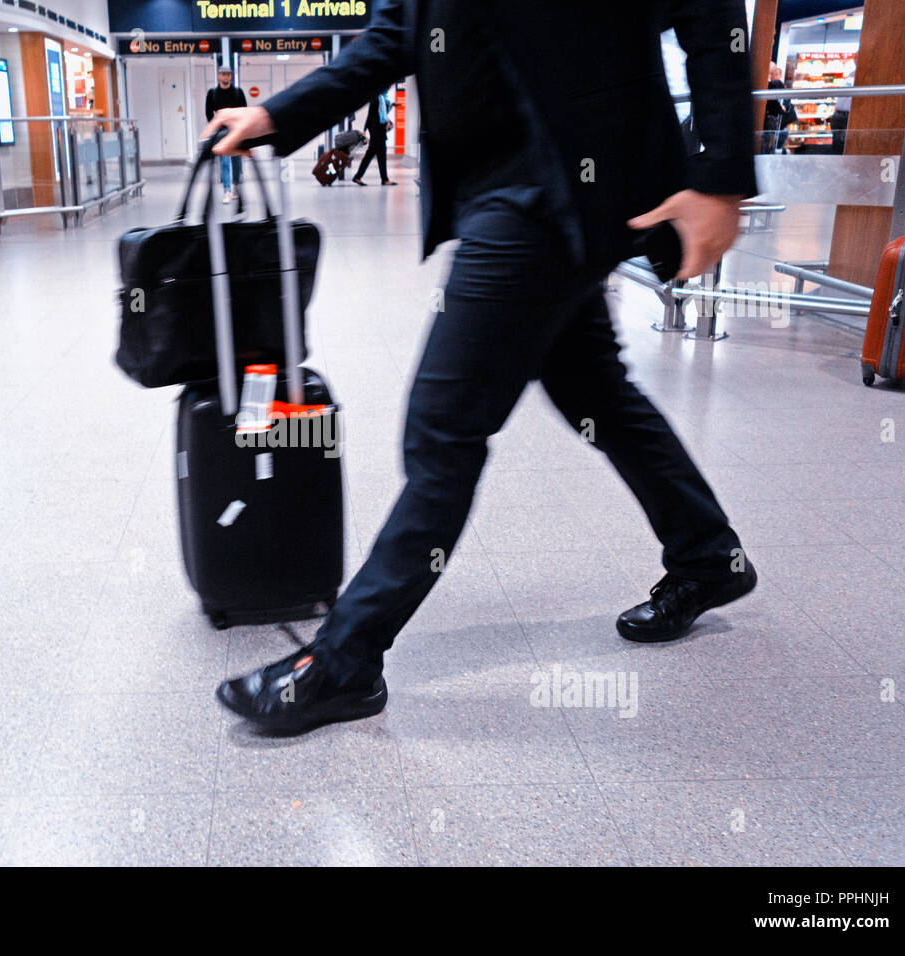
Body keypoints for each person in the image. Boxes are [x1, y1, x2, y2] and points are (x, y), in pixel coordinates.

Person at [206, 0, 759, 734]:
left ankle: (346, 660)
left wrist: (722, 176)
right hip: (501, 192)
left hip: (550, 189)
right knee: (598, 392)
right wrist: (274, 116)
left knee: (443, 432)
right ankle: (708, 553)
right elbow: (393, 36)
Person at [204, 66, 247, 204]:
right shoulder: (213, 93)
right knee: (224, 162)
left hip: (235, 131)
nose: (226, 77)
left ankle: (235, 186)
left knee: (236, 160)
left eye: (228, 74)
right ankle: (227, 190)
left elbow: (244, 110)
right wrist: (215, 125)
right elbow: (208, 111)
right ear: (218, 76)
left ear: (231, 76)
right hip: (221, 132)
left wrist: (240, 127)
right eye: (223, 74)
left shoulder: (238, 92)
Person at [352, 90, 395, 185]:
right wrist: (364, 130)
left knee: (376, 155)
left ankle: (359, 177)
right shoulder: (376, 98)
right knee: (377, 154)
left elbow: (382, 114)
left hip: (379, 129)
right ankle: (383, 179)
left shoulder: (382, 99)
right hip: (376, 130)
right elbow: (370, 114)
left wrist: (391, 106)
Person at [762, 62, 796, 154]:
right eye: (774, 73)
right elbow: (774, 105)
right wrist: (781, 109)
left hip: (775, 124)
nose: (775, 76)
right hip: (771, 124)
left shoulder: (773, 85)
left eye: (777, 74)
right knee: (768, 144)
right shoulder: (772, 85)